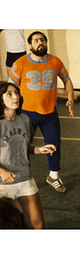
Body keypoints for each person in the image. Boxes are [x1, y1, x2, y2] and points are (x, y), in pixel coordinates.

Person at [8, 31, 74, 193]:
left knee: (54, 145)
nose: (40, 43)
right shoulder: (21, 63)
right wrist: (10, 109)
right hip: (26, 115)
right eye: (36, 40)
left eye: (43, 40)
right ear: (30, 45)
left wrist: (70, 98)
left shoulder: (55, 61)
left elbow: (66, 80)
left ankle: (53, 176)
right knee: (23, 146)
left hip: (50, 114)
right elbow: (10, 87)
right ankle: (23, 177)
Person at [0, 82, 56, 229]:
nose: (15, 97)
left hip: (25, 179)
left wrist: (39, 149)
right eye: (9, 94)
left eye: (16, 93)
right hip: (2, 184)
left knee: (39, 224)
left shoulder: (24, 119)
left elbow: (26, 147)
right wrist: (2, 171)